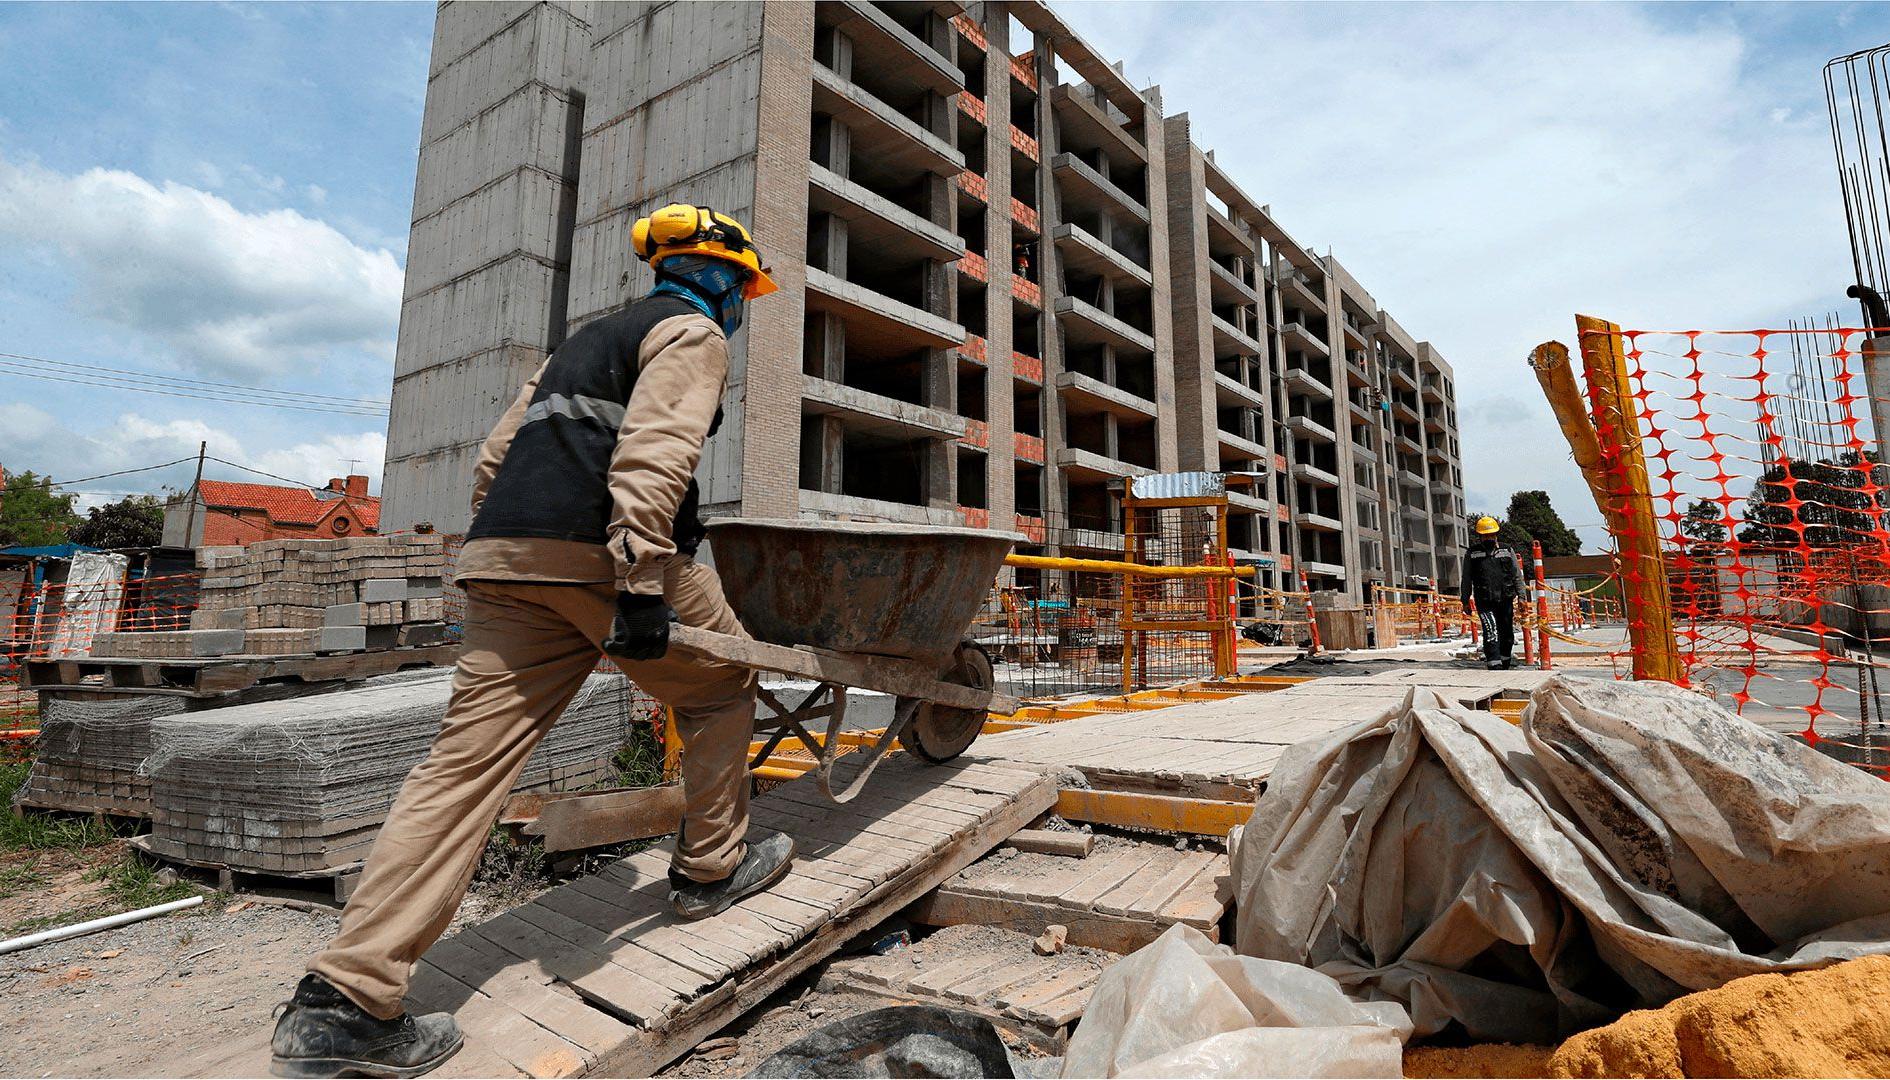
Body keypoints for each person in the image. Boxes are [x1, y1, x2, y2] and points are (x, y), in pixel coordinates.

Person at [269, 205, 792, 1079]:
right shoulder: (694, 334)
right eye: (743, 287)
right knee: (721, 688)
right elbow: (655, 454)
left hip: (511, 557)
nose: (742, 302)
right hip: (610, 559)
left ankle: (343, 1002)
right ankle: (709, 871)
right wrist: (635, 583)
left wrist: (517, 545)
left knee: (461, 767)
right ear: (722, 276)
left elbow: (493, 459)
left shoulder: (581, 344)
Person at [1462, 515, 1524, 670]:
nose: (1488, 538)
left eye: (1490, 535)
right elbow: (1466, 578)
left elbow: (1517, 575)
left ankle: (1505, 660)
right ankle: (1494, 663)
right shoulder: (1473, 553)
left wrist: (1522, 597)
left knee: (1507, 632)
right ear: (1480, 536)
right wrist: (1464, 600)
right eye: (1484, 536)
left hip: (1505, 598)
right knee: (1491, 631)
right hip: (1484, 600)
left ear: (1496, 534)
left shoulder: (1507, 550)